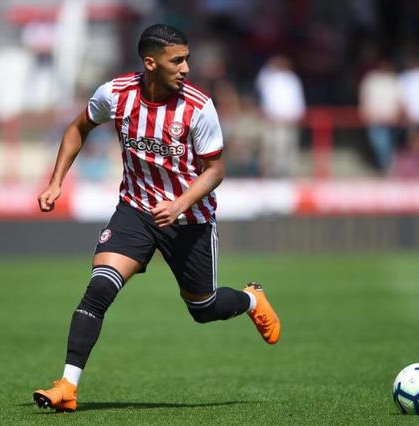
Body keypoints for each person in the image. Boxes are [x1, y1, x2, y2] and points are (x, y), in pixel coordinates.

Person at [33, 24, 281, 413]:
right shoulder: (115, 94)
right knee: (99, 289)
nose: (186, 68)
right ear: (150, 63)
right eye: (176, 60)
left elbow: (215, 170)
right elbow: (78, 127)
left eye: (186, 59)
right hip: (136, 209)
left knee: (203, 308)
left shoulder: (199, 106)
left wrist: (180, 204)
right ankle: (67, 386)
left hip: (190, 219)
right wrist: (55, 182)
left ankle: (251, 299)